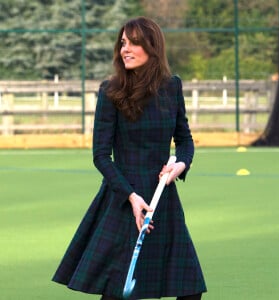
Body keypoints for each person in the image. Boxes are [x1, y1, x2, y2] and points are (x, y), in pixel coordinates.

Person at [52, 16, 207, 300]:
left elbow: (184, 141)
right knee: (118, 292)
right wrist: (132, 197)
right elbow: (100, 155)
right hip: (124, 199)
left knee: (189, 290)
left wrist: (180, 165)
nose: (126, 49)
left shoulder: (171, 87)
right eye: (123, 42)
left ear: (152, 47)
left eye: (134, 43)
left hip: (164, 199)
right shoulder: (110, 91)